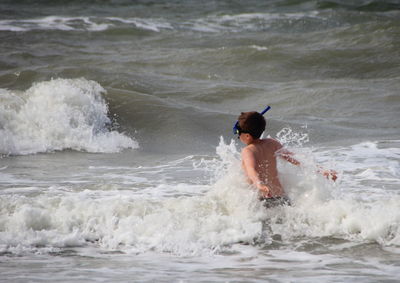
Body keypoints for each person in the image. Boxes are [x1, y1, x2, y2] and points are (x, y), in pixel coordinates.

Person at [236, 111, 336, 208]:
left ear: (247, 135)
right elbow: (295, 159)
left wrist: (259, 184)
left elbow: (251, 169)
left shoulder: (248, 151)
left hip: (263, 199)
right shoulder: (272, 143)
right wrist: (321, 170)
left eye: (237, 132)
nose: (237, 135)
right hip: (282, 197)